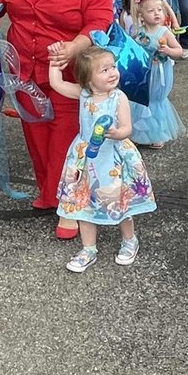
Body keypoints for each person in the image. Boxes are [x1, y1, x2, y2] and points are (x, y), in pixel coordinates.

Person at [0, 0, 114, 238]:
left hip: (70, 72)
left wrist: (75, 46)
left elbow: (99, 20)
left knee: (66, 140)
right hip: (23, 67)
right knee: (36, 136)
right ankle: (49, 193)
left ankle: (68, 206)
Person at [47, 46, 156, 272]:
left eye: (113, 67)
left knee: (120, 202)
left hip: (113, 158)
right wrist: (54, 64)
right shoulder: (84, 94)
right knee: (82, 204)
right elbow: (57, 84)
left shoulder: (118, 98)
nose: (113, 73)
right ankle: (89, 248)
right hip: (85, 158)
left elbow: (126, 128)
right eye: (104, 70)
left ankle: (129, 240)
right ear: (88, 78)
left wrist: (118, 132)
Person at [129, 0, 185, 148]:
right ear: (141, 16)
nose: (157, 13)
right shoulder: (139, 32)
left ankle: (157, 133)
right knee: (141, 100)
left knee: (155, 100)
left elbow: (179, 51)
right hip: (143, 72)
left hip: (158, 73)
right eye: (151, 11)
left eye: (159, 10)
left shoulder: (164, 32)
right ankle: (140, 133)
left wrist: (168, 51)